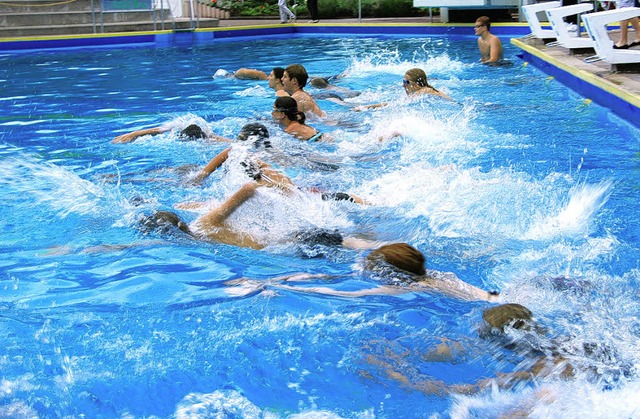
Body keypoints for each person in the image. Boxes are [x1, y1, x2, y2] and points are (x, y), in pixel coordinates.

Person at [253, 242, 499, 302]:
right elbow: (340, 278)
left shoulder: (416, 286)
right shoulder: (435, 275)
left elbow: (347, 294)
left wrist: (277, 287)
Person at [354, 68, 453, 111]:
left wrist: (366, 107)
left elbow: (395, 105)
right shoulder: (428, 90)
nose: (403, 86)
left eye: (406, 82)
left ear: (416, 85)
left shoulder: (423, 91)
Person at [112, 122, 230, 144]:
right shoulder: (212, 138)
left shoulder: (185, 122)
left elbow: (162, 129)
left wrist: (135, 133)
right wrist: (134, 133)